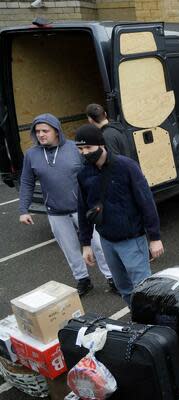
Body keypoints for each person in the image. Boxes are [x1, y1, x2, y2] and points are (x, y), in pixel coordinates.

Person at [18, 113, 116, 295]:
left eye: (45, 131)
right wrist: (24, 209)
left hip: (84, 209)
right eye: (37, 131)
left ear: (56, 131)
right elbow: (27, 182)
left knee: (99, 245)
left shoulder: (74, 148)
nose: (41, 134)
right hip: (55, 212)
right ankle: (83, 280)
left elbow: (95, 171)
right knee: (70, 250)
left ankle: (112, 278)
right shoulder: (31, 155)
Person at [75, 124, 164, 306]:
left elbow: (146, 202)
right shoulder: (84, 174)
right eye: (80, 149)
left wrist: (154, 237)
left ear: (101, 145)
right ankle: (136, 318)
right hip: (107, 241)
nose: (84, 153)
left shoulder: (126, 166)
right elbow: (83, 209)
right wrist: (85, 244)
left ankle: (153, 325)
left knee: (144, 289)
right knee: (123, 287)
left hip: (132, 240)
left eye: (88, 148)